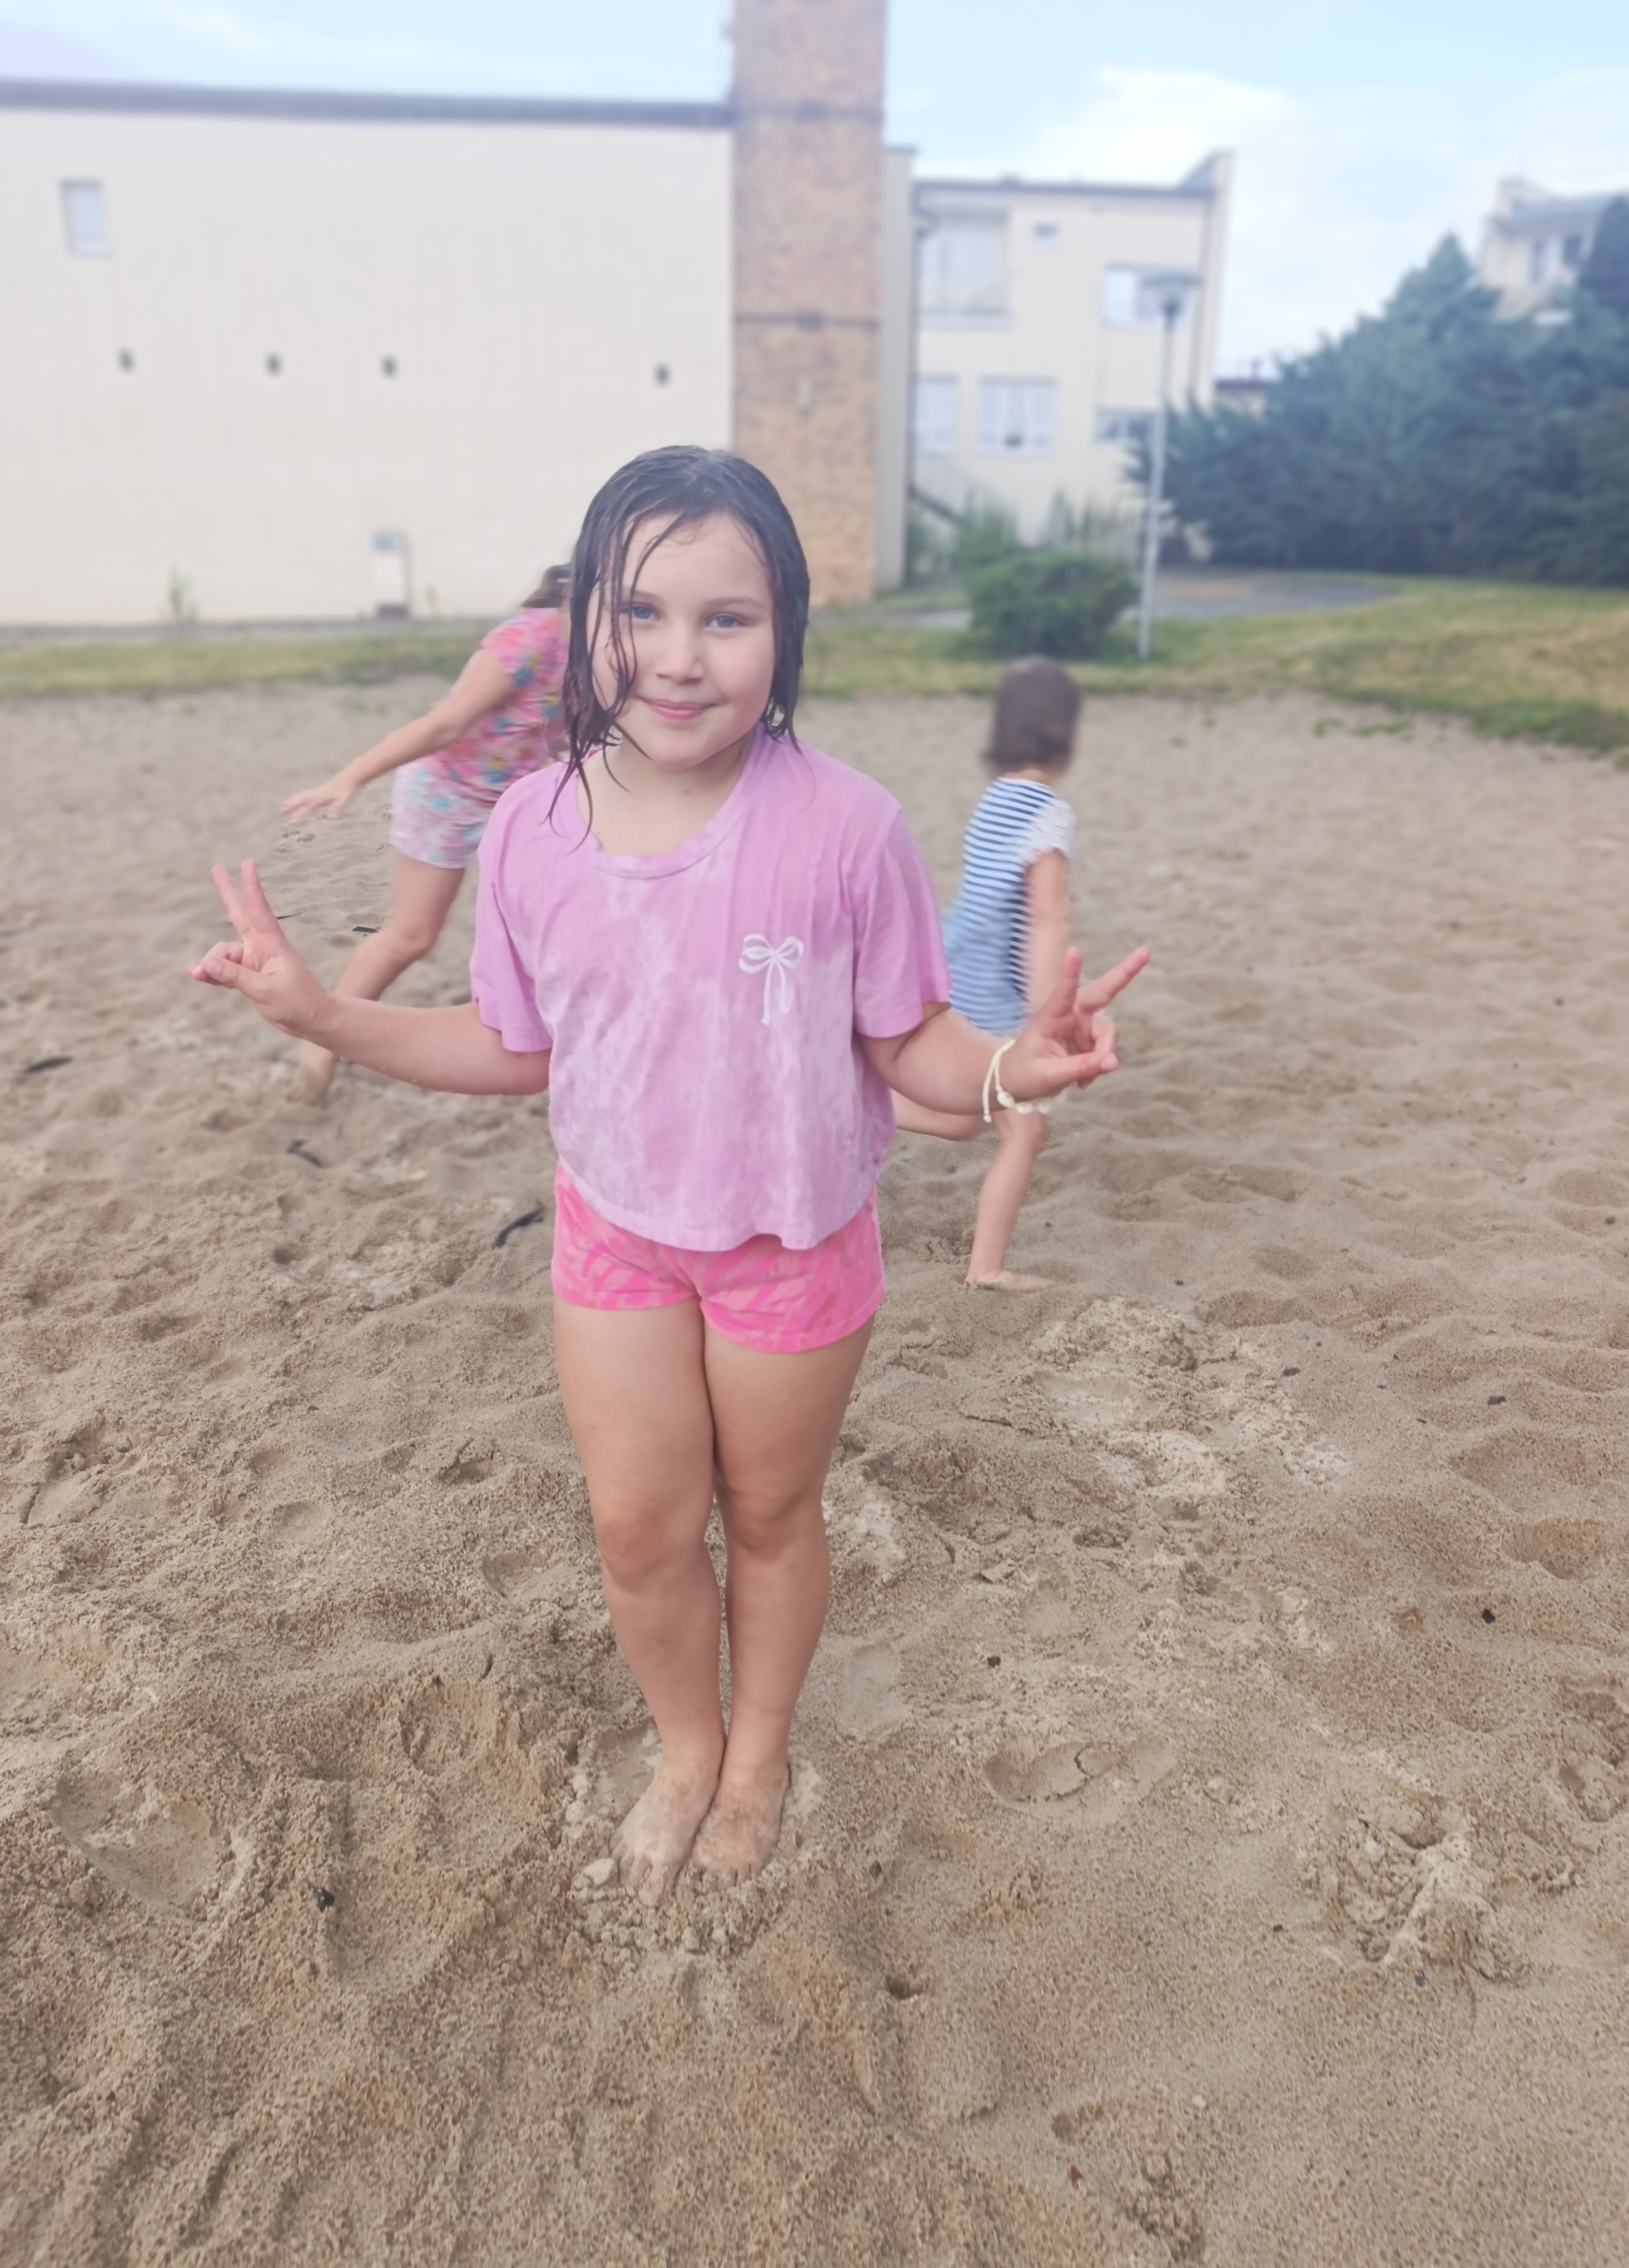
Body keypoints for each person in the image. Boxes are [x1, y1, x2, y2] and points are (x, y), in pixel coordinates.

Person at [189, 447, 1147, 1906]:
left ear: (786, 634)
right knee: (638, 1529)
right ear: (581, 621)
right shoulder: (530, 827)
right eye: (639, 611)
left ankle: (757, 1758)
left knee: (767, 1517)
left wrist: (1017, 1062)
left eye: (726, 618)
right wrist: (327, 1015)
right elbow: (514, 1049)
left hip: (792, 1251)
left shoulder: (848, 827)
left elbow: (911, 1046)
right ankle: (688, 1747)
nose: (679, 657)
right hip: (615, 1237)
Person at [279, 568, 569, 1105]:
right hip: (444, 795)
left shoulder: (609, 652)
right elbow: (445, 724)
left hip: (516, 804)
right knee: (412, 936)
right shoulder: (530, 639)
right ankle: (319, 1048)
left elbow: (559, 730)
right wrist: (351, 777)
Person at [893, 655, 1082, 1291]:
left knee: (962, 1116)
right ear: (1065, 734)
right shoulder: (1049, 815)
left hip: (957, 968)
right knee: (1024, 1129)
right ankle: (987, 1268)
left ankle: (863, 1101)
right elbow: (1047, 918)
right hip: (992, 997)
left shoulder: (996, 799)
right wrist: (1048, 1008)